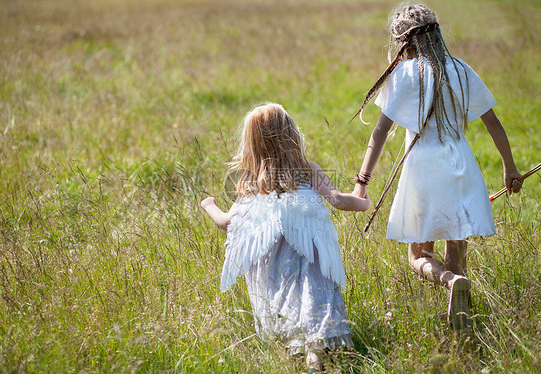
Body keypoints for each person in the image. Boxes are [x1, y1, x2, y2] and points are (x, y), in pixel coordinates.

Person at [351, 4, 523, 330]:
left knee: (417, 256)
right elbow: (494, 123)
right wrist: (510, 170)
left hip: (423, 171)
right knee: (458, 252)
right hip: (463, 168)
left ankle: (447, 281)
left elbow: (381, 131)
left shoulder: (403, 74)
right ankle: (461, 322)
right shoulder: (460, 69)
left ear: (402, 41)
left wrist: (363, 181)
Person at [201, 103, 370, 372]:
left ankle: (300, 355)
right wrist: (364, 202)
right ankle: (315, 361)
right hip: (310, 253)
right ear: (292, 135)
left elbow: (227, 222)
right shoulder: (307, 168)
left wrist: (208, 204)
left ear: (252, 143)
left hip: (274, 262)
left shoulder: (251, 179)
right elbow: (338, 200)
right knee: (314, 302)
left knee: (289, 305)